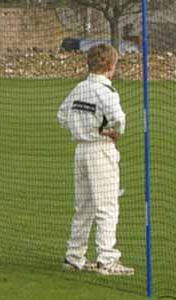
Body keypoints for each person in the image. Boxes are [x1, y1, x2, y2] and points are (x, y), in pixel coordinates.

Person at [57, 44, 133, 276]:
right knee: (107, 206)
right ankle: (107, 260)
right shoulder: (106, 91)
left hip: (81, 151)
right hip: (100, 150)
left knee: (85, 206)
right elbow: (119, 120)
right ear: (110, 65)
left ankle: (74, 256)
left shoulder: (79, 88)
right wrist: (111, 132)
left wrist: (81, 128)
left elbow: (61, 115)